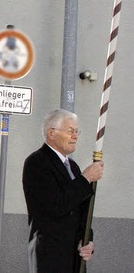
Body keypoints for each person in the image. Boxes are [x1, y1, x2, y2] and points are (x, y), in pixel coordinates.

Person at [22, 109, 104, 272]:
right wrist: (85, 178)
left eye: (76, 131)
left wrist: (87, 240)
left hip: (73, 257)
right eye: (70, 131)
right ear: (51, 133)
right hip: (50, 256)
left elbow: (81, 210)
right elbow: (56, 205)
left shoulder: (72, 166)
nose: (75, 136)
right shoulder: (37, 162)